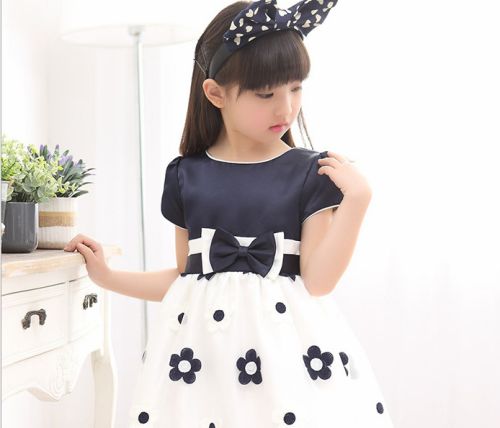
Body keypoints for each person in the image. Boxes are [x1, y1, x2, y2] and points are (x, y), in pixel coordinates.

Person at [64, 0, 395, 426]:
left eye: (295, 88)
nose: (286, 108)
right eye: (266, 94)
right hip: (201, 364)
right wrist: (108, 277)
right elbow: (185, 279)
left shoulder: (311, 174)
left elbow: (318, 281)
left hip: (288, 362)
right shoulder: (186, 176)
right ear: (215, 93)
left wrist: (357, 202)